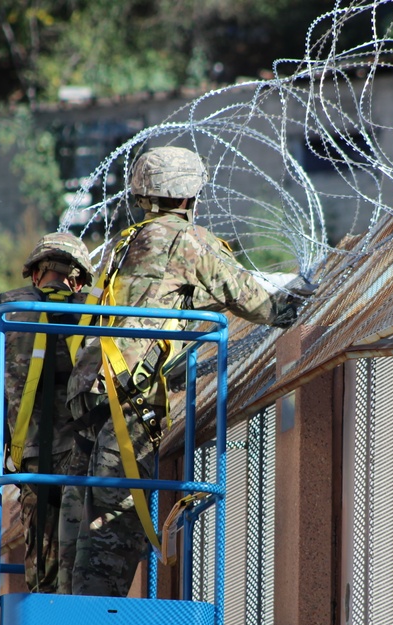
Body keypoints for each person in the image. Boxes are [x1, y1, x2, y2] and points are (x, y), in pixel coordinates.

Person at [61, 145, 305, 597]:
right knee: (113, 524)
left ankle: (64, 624)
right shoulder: (187, 241)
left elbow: (160, 300)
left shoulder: (124, 243)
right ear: (191, 194)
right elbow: (253, 299)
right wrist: (302, 303)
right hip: (129, 394)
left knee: (77, 518)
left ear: (142, 193)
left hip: (89, 391)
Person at [0, 232, 95, 593]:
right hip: (86, 454)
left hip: (30, 453)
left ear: (35, 274)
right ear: (76, 278)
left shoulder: (6, 309)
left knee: (43, 551)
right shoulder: (96, 310)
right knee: (83, 554)